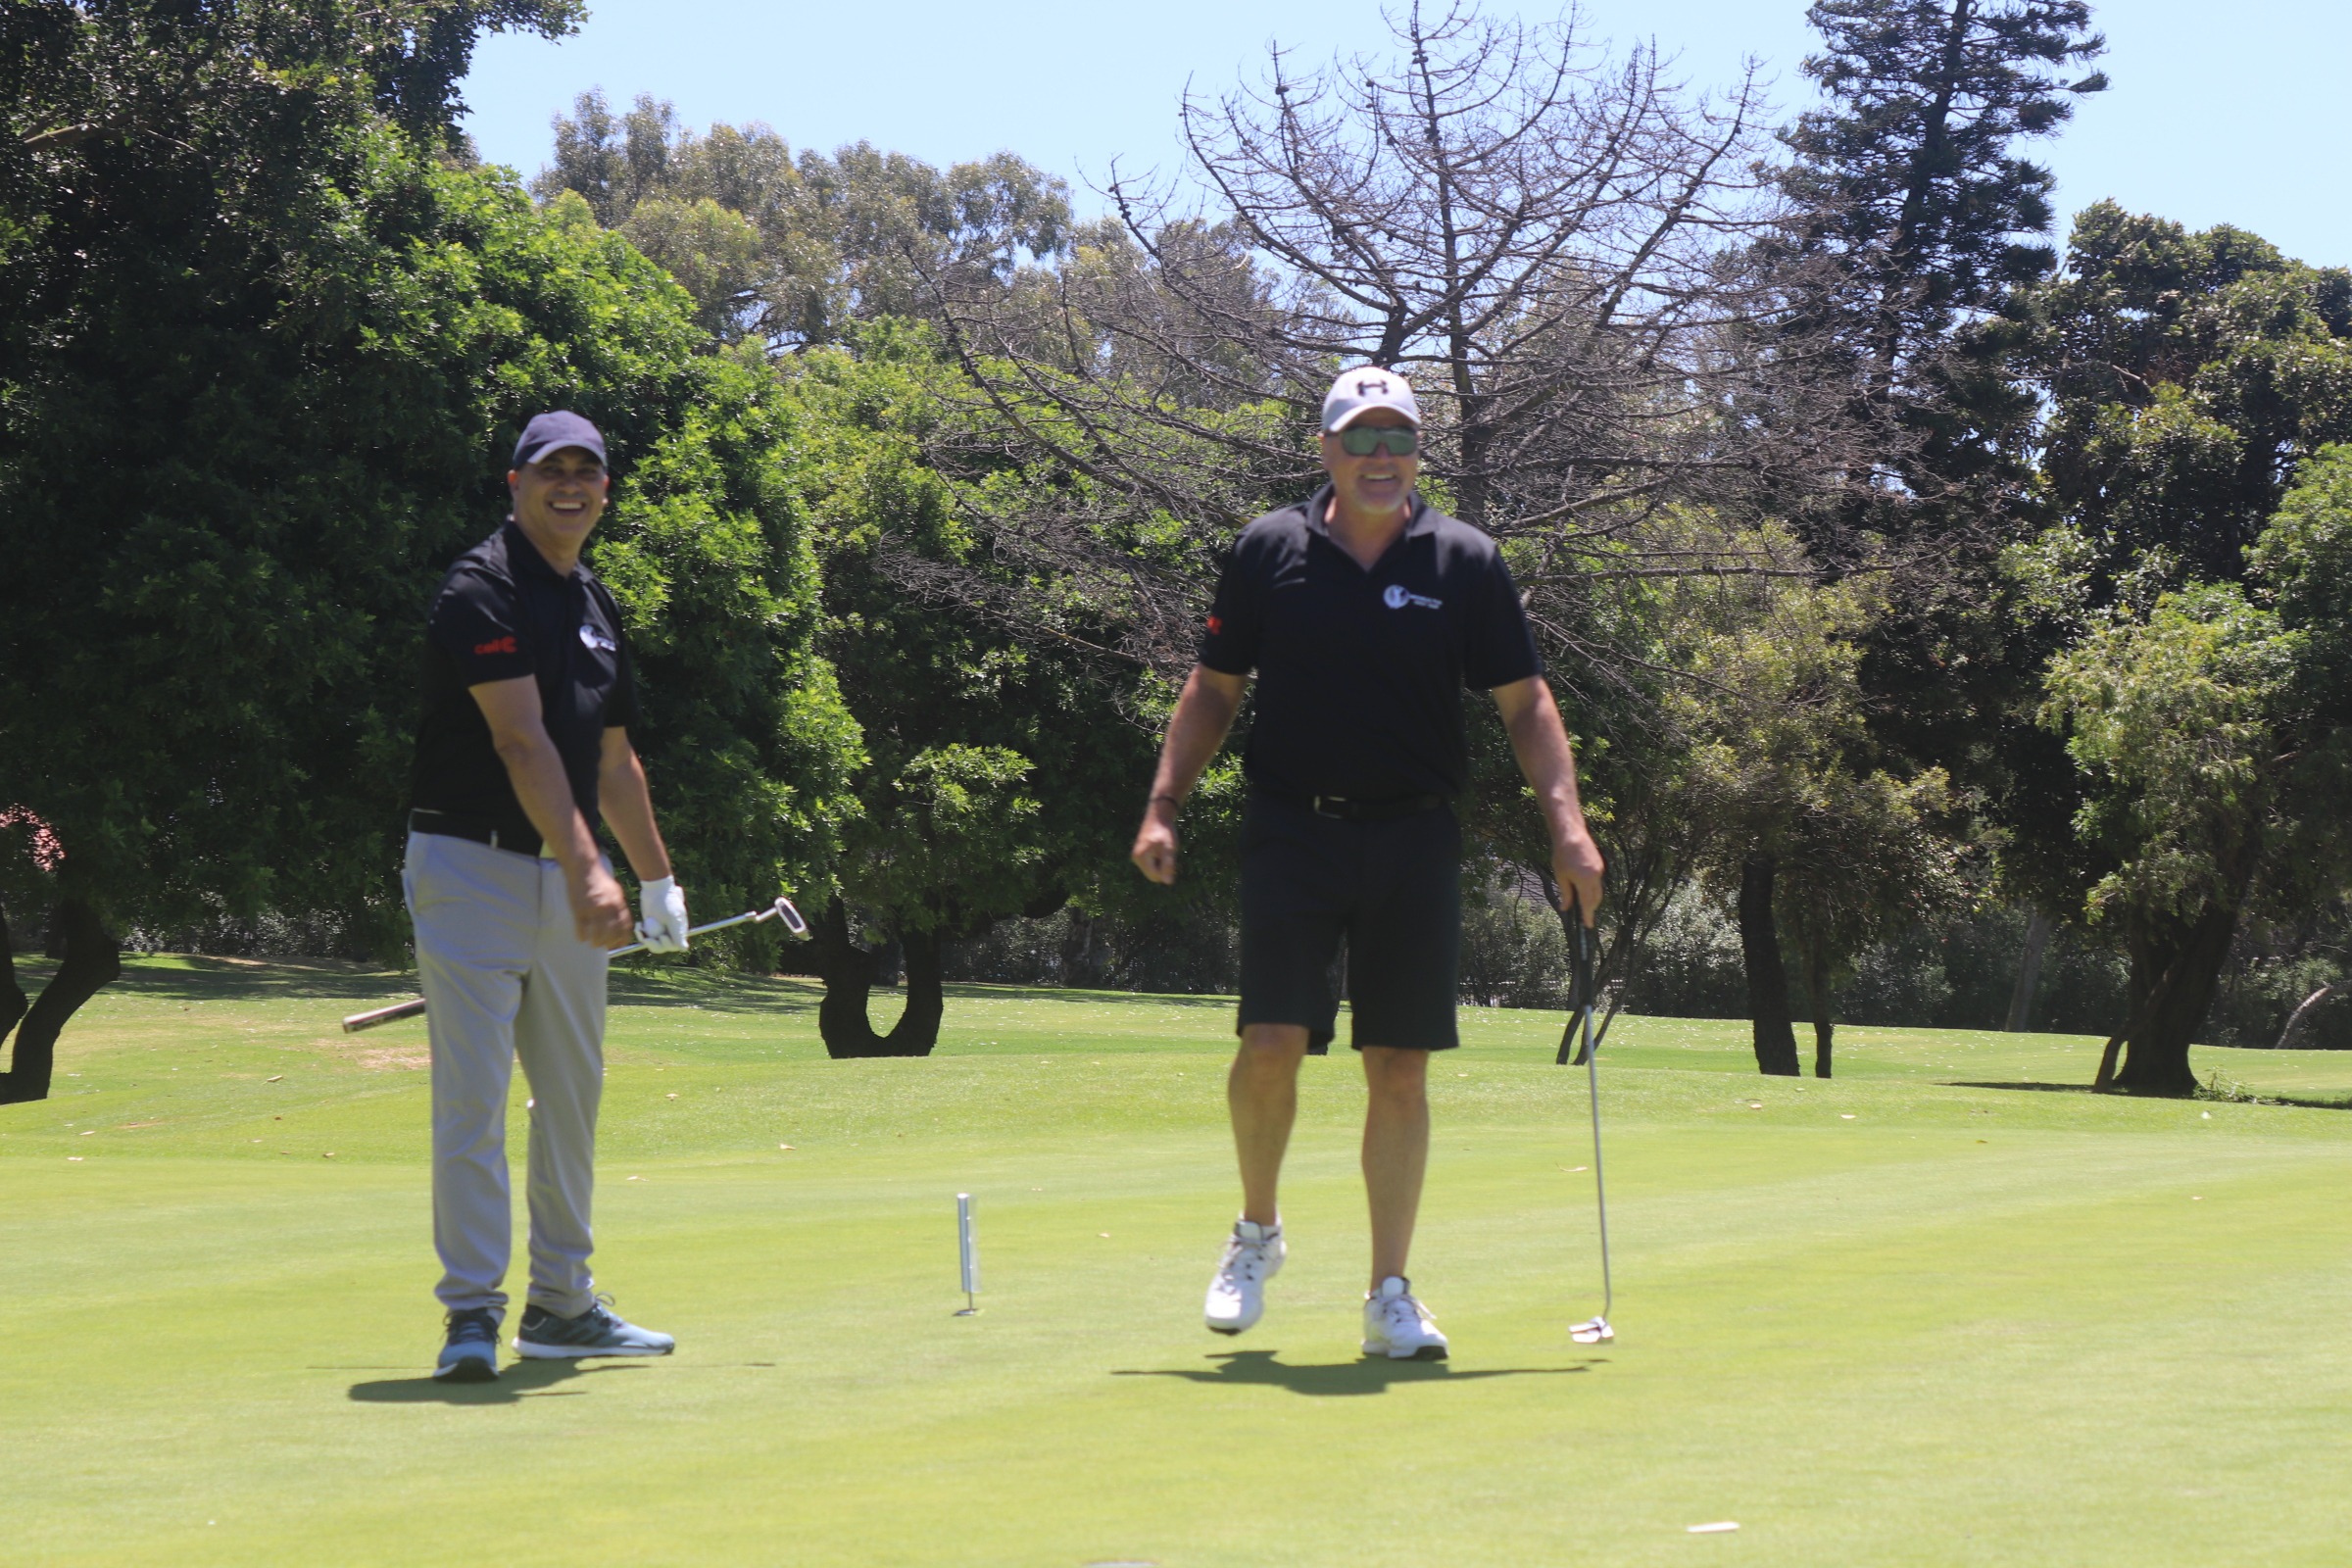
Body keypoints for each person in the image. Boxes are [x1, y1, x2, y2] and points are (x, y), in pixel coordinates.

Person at [1131, 367, 1605, 1359]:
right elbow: (1214, 687)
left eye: (1399, 438)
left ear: (1418, 453)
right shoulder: (1269, 550)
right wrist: (1164, 803)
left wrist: (1567, 826)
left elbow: (1527, 703)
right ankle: (1256, 1234)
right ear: (1327, 450)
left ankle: (1390, 1294)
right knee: (1271, 1042)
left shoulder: (1465, 561)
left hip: (1414, 838)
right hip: (1293, 829)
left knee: (1399, 1064)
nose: (1381, 456)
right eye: (1361, 437)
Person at [405, 411, 692, 1382]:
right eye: (550, 469)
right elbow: (519, 740)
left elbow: (613, 759)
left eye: (587, 471)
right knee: (474, 1101)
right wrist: (589, 870)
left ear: (604, 489)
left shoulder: (596, 603)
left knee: (571, 1096)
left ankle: (563, 1304)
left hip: (563, 877)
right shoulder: (479, 587)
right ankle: (471, 1314)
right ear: (516, 483)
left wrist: (656, 877)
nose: (570, 484)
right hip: (469, 866)